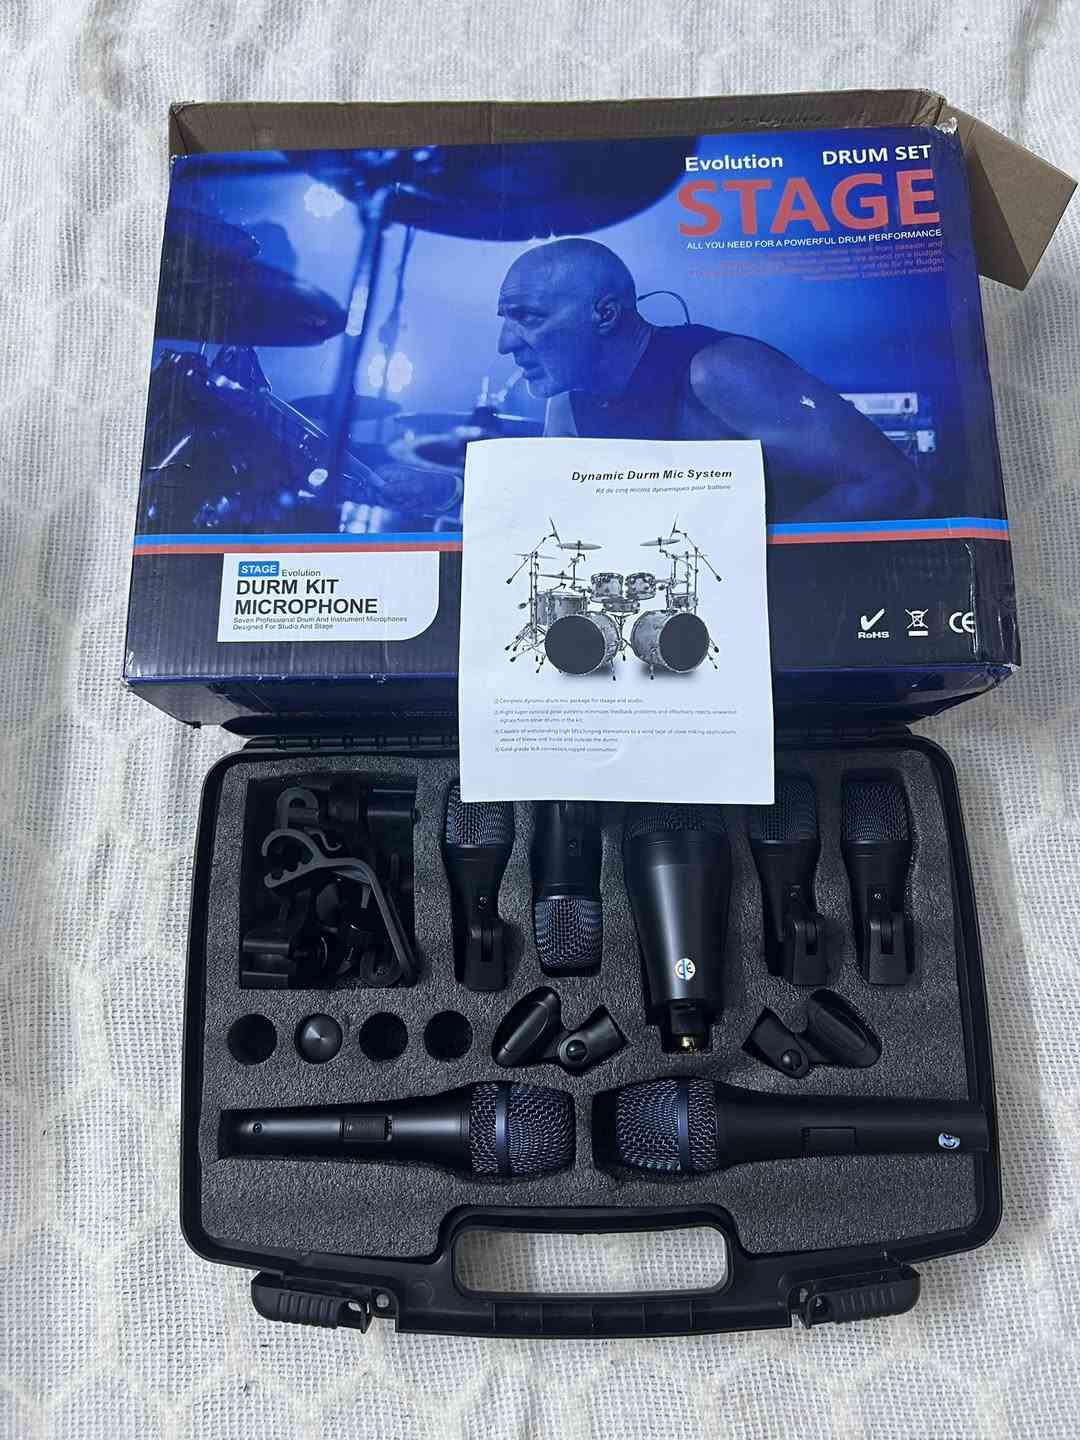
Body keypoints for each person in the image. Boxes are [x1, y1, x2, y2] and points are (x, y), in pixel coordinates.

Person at [495, 238, 927, 521]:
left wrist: (750, 564)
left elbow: (899, 486)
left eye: (527, 317)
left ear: (605, 314)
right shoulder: (566, 406)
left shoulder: (719, 372)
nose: (505, 343)